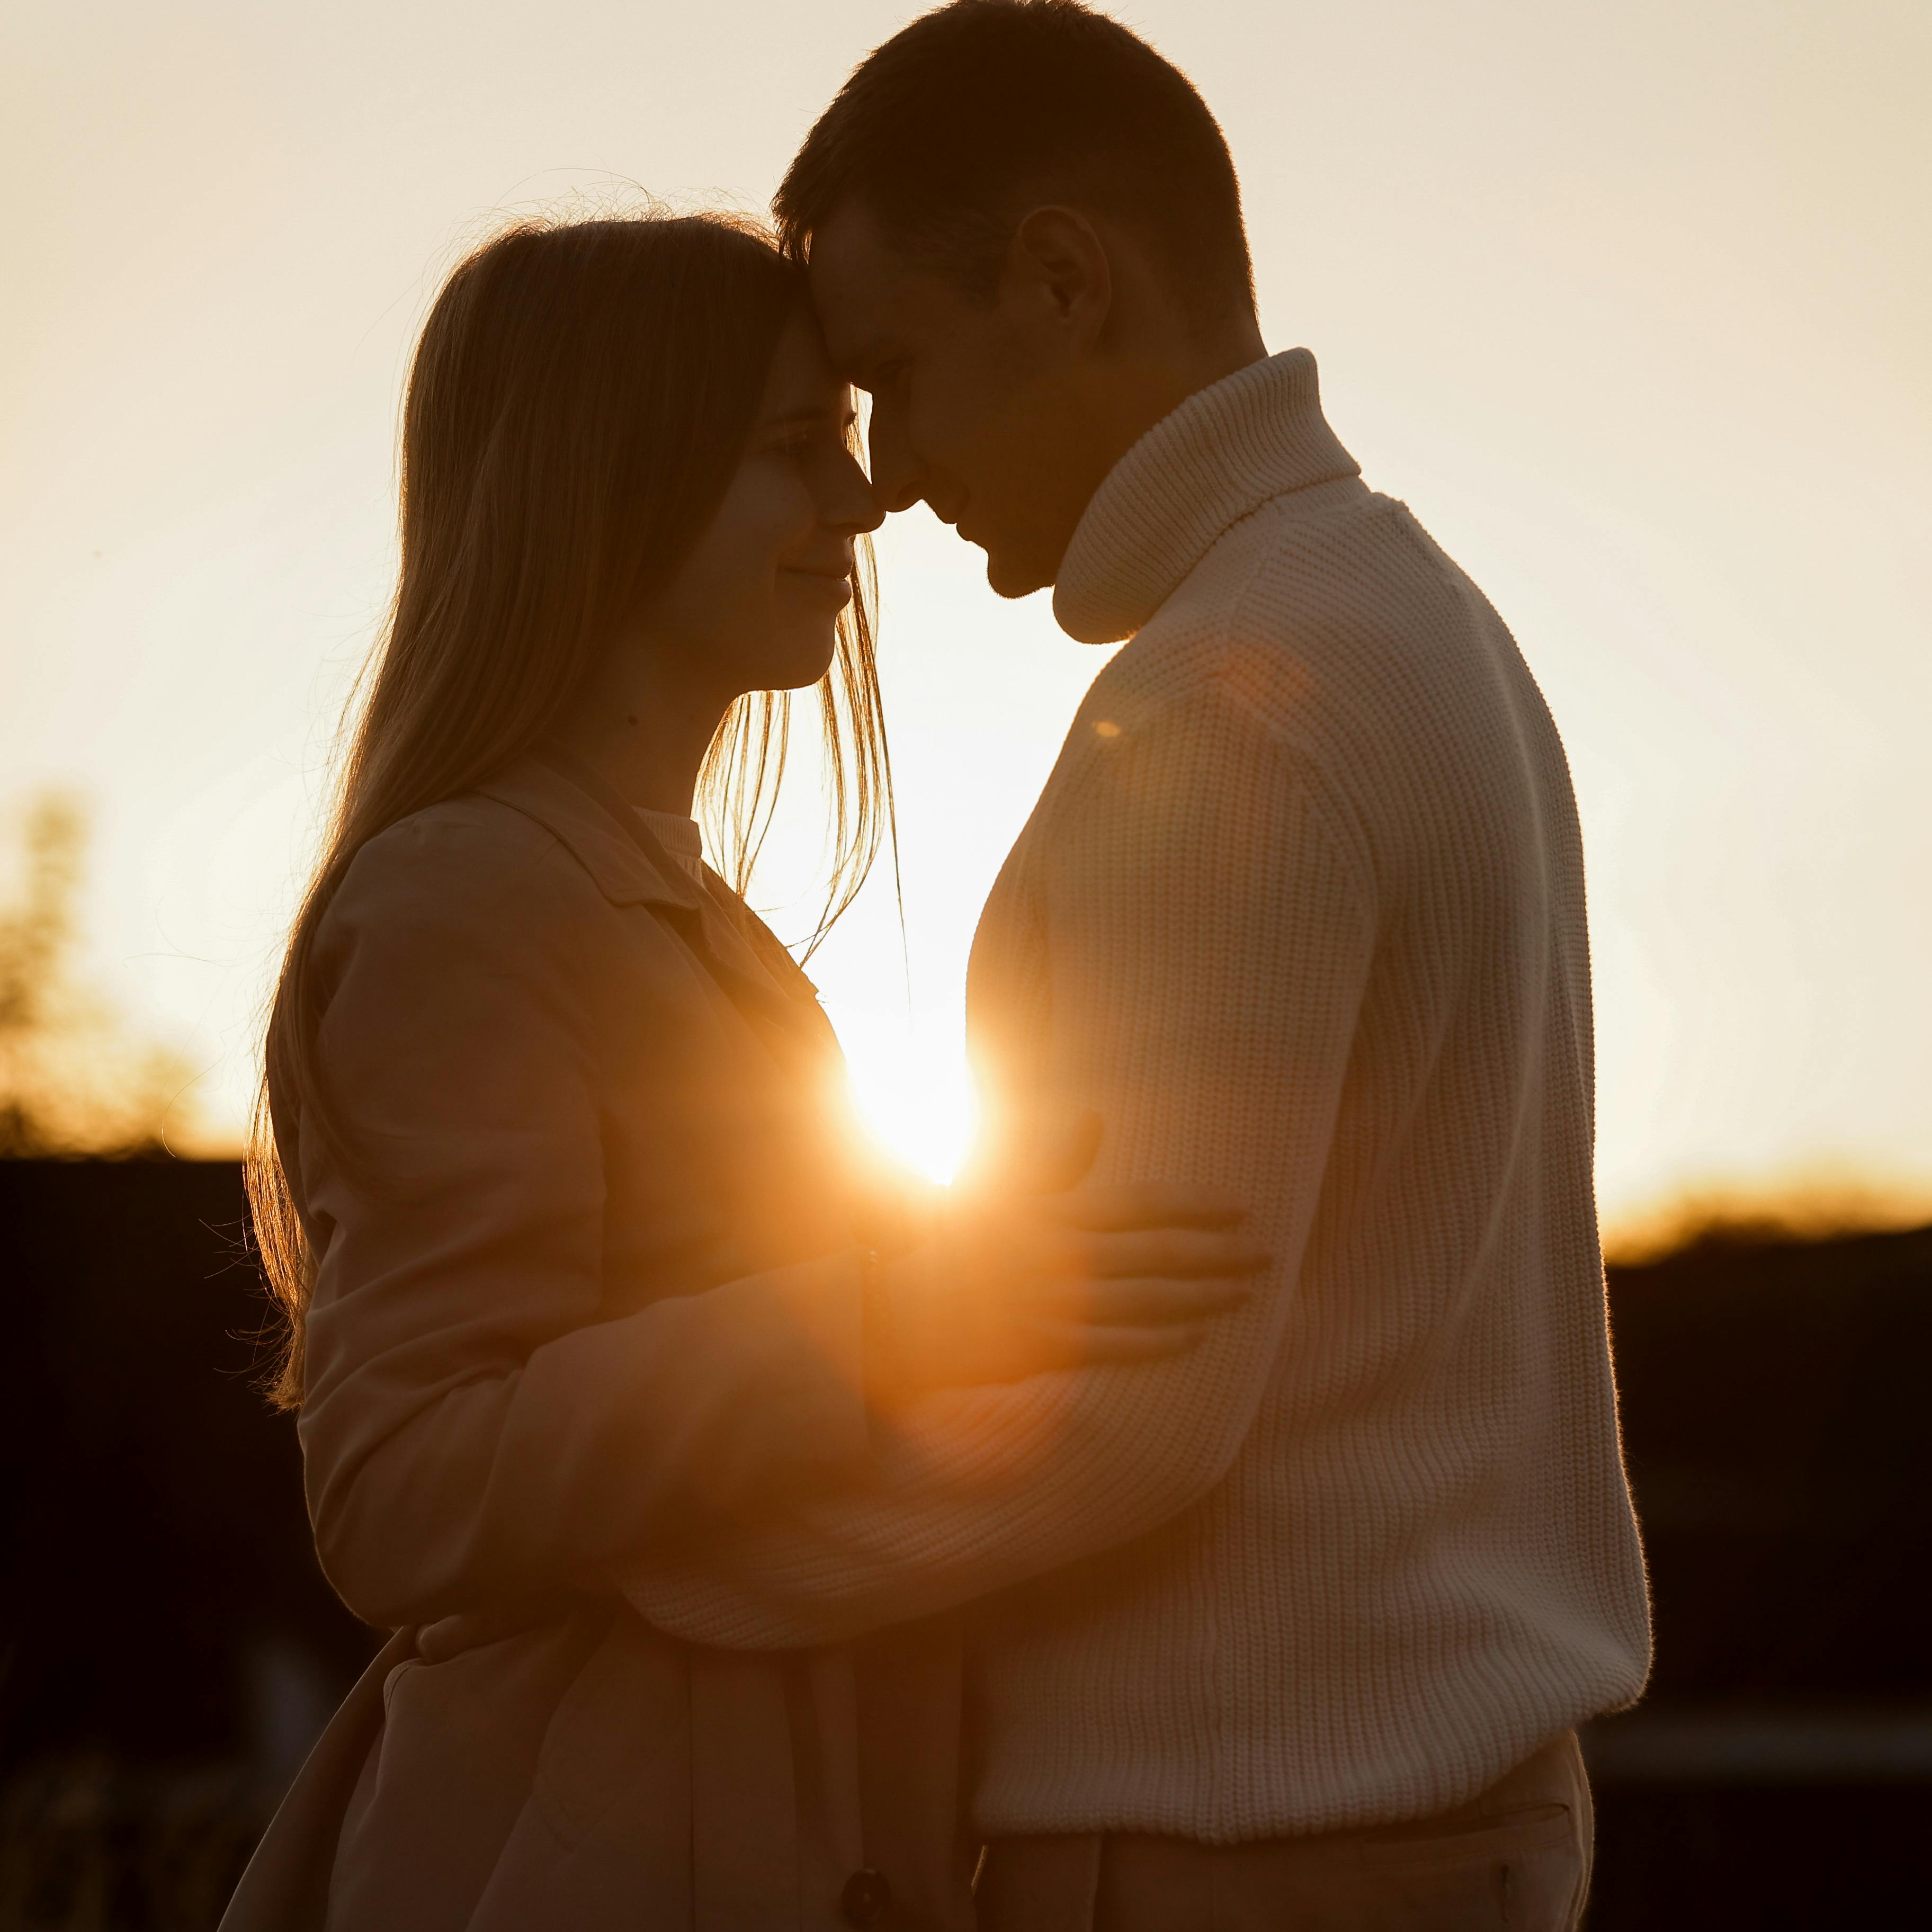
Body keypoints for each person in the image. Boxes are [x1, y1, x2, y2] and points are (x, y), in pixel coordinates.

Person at [621, 6, 1653, 1928]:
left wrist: (661, 1592)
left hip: (1245, 1856)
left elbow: (1124, 1409)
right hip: (1409, 1834)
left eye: (901, 380)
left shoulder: (1237, 709)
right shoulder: (1413, 615)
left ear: (1065, 278)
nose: (896, 477)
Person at [219, 208, 1264, 1932]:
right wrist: (896, 1316)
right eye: (797, 453)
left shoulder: (669, 909)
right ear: (607, 486)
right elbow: (404, 1487)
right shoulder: (464, 897)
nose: (862, 506)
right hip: (579, 1857)